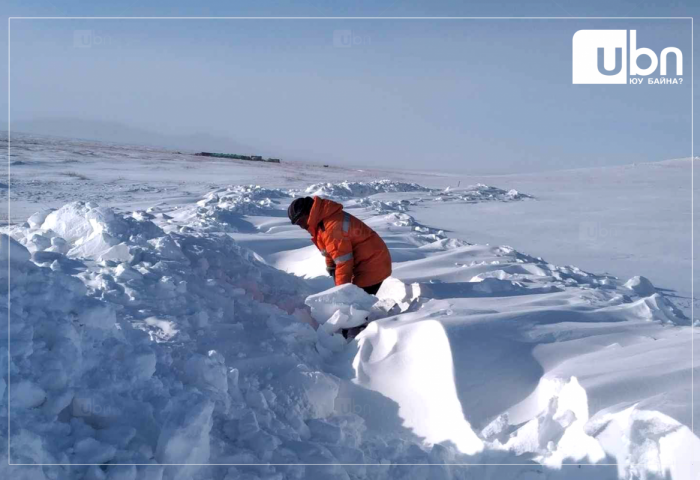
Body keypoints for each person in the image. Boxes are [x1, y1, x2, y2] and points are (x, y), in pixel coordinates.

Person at [288, 196, 392, 296]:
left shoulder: (331, 227)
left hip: (373, 264)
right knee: (353, 301)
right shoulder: (322, 223)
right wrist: (331, 266)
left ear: (308, 213)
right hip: (368, 261)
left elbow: (343, 261)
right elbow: (330, 250)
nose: (301, 226)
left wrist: (342, 291)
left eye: (300, 221)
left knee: (354, 303)